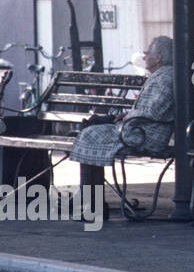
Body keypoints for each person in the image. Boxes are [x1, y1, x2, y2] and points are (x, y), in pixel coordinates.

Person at [70, 36, 175, 200]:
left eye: (147, 53)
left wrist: (130, 115)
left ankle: (89, 200)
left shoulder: (166, 78)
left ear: (158, 58)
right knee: (90, 133)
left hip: (145, 135)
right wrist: (127, 115)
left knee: (89, 134)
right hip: (140, 130)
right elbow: (153, 109)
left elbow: (156, 111)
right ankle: (89, 199)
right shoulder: (162, 75)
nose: (144, 56)